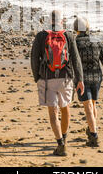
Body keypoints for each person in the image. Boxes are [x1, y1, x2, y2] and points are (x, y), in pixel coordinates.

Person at [31, 10, 85, 156]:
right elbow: (75, 58)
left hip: (47, 79)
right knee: (65, 108)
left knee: (53, 112)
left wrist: (37, 77)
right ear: (62, 21)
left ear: (49, 20)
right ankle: (65, 138)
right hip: (66, 78)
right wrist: (79, 79)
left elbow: (34, 58)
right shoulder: (68, 35)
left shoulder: (41, 36)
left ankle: (60, 143)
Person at [73, 16, 103, 147]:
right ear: (87, 27)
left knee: (88, 107)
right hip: (97, 77)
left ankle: (94, 136)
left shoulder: (75, 43)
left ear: (76, 29)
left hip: (82, 79)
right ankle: (92, 129)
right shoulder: (97, 41)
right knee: (93, 105)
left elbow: (72, 62)